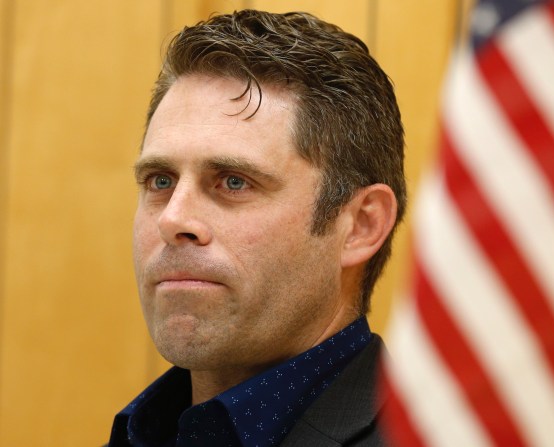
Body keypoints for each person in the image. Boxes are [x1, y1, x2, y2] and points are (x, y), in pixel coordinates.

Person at [108, 9, 406, 447]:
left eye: (233, 182)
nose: (172, 219)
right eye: (160, 181)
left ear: (361, 225)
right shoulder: (144, 433)